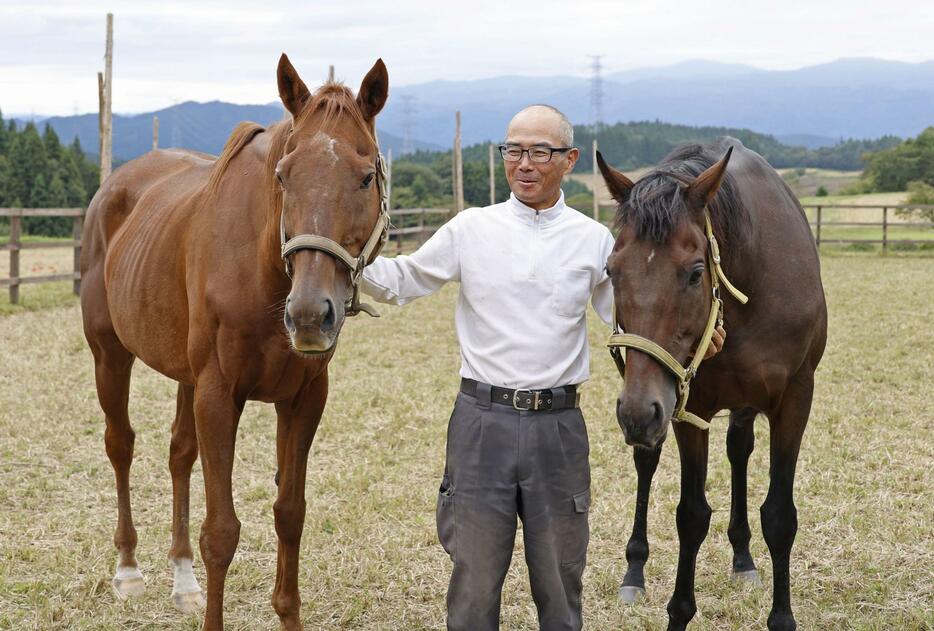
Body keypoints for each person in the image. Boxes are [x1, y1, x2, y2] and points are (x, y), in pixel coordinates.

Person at [360, 105, 722, 631]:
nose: (523, 164)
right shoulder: (470, 230)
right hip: (481, 424)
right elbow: (403, 279)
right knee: (473, 586)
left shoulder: (596, 242)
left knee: (559, 585)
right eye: (513, 150)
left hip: (558, 429)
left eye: (539, 152)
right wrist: (337, 257)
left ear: (569, 160)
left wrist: (700, 334)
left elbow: (636, 315)